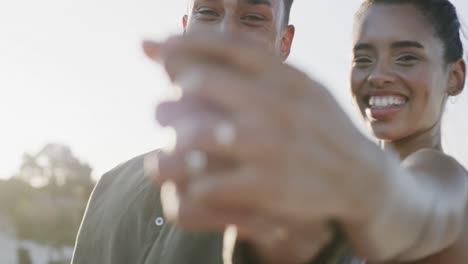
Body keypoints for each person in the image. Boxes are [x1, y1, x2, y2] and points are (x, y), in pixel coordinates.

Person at [147, 0, 468, 263]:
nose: (379, 75)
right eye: (364, 58)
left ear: (455, 76)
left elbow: (421, 208)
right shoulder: (338, 203)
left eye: (407, 57)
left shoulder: (449, 182)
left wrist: (365, 183)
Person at [71, 1, 310, 264]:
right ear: (186, 28)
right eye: (207, 12)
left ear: (283, 43)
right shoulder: (111, 186)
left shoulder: (314, 206)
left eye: (252, 18)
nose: (223, 36)